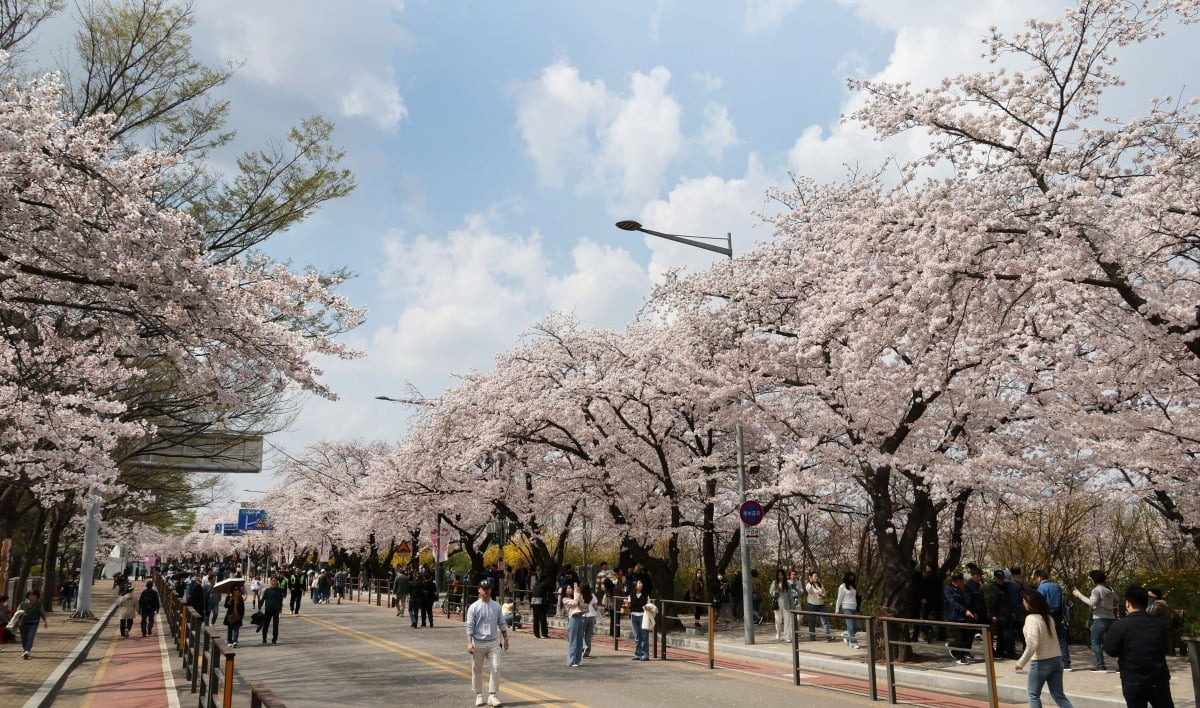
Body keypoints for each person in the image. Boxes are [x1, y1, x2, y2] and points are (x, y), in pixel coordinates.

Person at [1104, 586, 1174, 708]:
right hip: (1158, 678)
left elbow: (1111, 650)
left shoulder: (1120, 625)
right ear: (1146, 603)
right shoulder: (1159, 624)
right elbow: (1165, 646)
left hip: (1133, 679)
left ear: (1128, 603)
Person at [1015, 591, 1074, 708]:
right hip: (1057, 660)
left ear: (1030, 604)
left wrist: (1021, 662)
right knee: (1058, 695)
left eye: (1024, 600)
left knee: (1033, 695)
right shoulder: (1048, 618)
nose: (1023, 602)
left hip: (1040, 662)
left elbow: (1032, 643)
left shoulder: (1031, 619)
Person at [466, 577, 508, 707]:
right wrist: (469, 642)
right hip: (478, 642)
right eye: (483, 589)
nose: (486, 591)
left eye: (488, 589)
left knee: (496, 667)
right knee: (477, 668)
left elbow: (501, 622)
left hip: (493, 642)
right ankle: (479, 694)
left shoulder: (496, 606)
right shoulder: (474, 607)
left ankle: (493, 695)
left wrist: (506, 638)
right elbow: (469, 626)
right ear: (479, 590)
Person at [1071, 570, 1117, 672]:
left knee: (1095, 642)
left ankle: (1101, 665)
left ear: (1093, 579)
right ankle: (1120, 665)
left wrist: (1079, 595)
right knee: (1115, 642)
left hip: (1099, 618)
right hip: (1112, 618)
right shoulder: (1110, 588)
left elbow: (1092, 603)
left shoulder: (1096, 590)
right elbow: (1116, 599)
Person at [1034, 570, 1072, 671]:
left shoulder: (1041, 588)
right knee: (1062, 639)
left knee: (1046, 639)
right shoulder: (1057, 586)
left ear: (1039, 578)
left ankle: (1047, 662)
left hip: (1047, 615)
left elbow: (1039, 603)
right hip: (1059, 615)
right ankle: (1066, 663)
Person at [944, 571, 978, 664]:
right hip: (953, 616)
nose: (963, 582)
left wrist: (972, 611)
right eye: (962, 580)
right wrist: (965, 610)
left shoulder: (960, 590)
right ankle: (959, 658)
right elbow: (953, 603)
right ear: (958, 581)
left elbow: (965, 603)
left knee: (965, 637)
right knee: (959, 638)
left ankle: (952, 645)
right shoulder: (948, 589)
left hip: (962, 617)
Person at [990, 570, 1019, 660]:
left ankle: (1002, 651)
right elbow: (992, 603)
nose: (1001, 581)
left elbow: (1009, 600)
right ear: (995, 578)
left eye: (1002, 579)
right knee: (1005, 634)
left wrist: (1013, 612)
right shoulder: (994, 588)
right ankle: (1009, 652)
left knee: (1007, 634)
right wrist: (993, 615)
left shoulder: (1006, 587)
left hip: (1008, 613)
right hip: (1000, 614)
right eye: (999, 579)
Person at [15, 590, 50, 659]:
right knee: (24, 638)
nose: (32, 597)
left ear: (37, 597)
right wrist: (22, 613)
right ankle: (25, 651)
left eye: (34, 596)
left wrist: (45, 621)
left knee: (30, 638)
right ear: (28, 596)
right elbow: (17, 612)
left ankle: (27, 651)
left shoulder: (39, 605)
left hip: (33, 624)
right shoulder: (22, 604)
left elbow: (42, 613)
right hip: (22, 624)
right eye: (30, 595)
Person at [805, 571, 833, 641]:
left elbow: (824, 592)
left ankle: (828, 636)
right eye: (814, 576)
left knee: (824, 621)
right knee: (812, 621)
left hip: (821, 605)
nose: (816, 577)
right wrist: (811, 582)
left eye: (817, 576)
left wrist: (823, 595)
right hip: (812, 605)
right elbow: (808, 590)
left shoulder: (820, 584)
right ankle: (812, 636)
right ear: (811, 577)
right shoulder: (809, 584)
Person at [835, 571, 860, 649]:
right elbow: (839, 599)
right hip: (846, 608)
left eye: (853, 577)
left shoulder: (853, 586)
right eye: (850, 577)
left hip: (854, 608)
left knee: (857, 626)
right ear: (847, 577)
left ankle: (846, 634)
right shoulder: (842, 586)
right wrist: (837, 609)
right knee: (851, 626)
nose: (852, 579)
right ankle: (853, 643)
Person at [563, 581, 585, 667]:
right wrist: (576, 595)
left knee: (580, 640)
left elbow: (582, 604)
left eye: (571, 588)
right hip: (573, 619)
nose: (570, 590)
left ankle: (578, 660)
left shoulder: (575, 596)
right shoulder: (565, 599)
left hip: (580, 617)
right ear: (565, 590)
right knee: (573, 640)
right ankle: (571, 661)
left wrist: (579, 594)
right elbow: (575, 603)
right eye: (568, 588)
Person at [769, 568, 795, 642]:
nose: (780, 576)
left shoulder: (788, 584)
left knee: (787, 621)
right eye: (779, 575)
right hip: (777, 603)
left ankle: (787, 637)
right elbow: (771, 591)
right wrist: (776, 592)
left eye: (782, 575)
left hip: (786, 603)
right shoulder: (774, 582)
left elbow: (790, 595)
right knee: (778, 621)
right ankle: (778, 633)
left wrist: (792, 605)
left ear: (784, 575)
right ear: (777, 575)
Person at [629, 578, 650, 661]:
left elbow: (649, 605)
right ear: (635, 585)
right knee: (637, 636)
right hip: (634, 616)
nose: (641, 584)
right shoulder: (631, 595)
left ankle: (645, 654)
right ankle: (638, 654)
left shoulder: (645, 595)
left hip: (643, 616)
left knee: (644, 635)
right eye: (639, 583)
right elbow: (628, 605)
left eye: (641, 583)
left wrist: (647, 607)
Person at [259, 576, 284, 644]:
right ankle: (264, 639)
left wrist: (280, 608)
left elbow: (281, 600)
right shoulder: (267, 590)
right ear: (270, 582)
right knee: (266, 625)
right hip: (268, 610)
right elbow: (263, 599)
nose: (273, 582)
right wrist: (259, 607)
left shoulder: (279, 590)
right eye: (272, 581)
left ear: (277, 582)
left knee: (275, 625)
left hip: (276, 610)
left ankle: (274, 639)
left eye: (275, 581)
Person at [530, 573, 552, 639]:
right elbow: (550, 590)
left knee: (535, 618)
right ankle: (544, 634)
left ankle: (536, 634)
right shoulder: (544, 584)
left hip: (533, 602)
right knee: (542, 618)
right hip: (541, 603)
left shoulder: (535, 584)